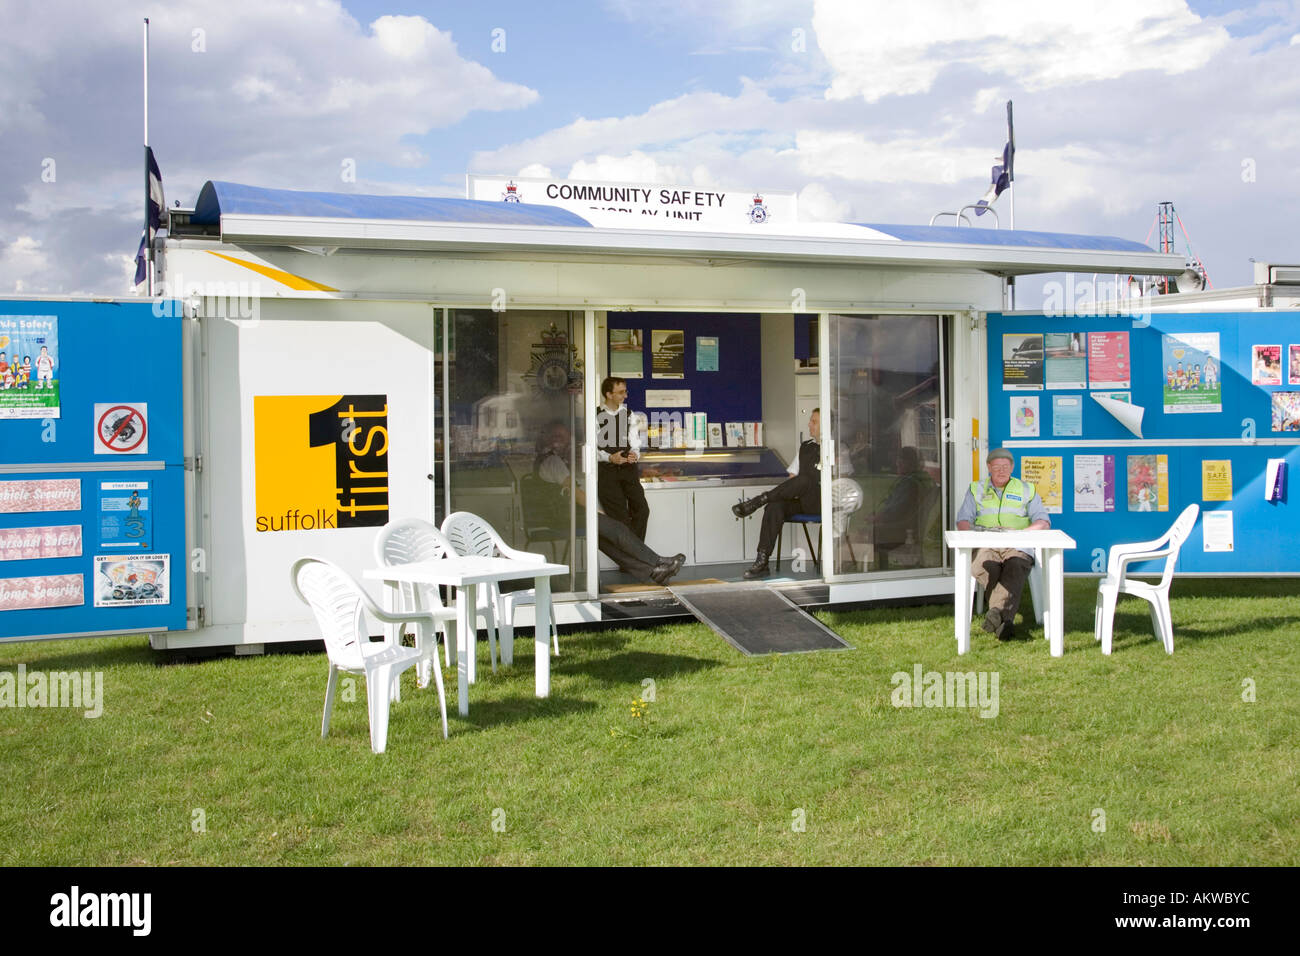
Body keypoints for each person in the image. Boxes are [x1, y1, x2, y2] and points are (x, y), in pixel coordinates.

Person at [534, 422, 684, 586]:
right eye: (558, 438)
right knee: (617, 529)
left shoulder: (550, 460)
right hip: (563, 518)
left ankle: (654, 573)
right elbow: (574, 492)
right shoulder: (553, 462)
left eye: (564, 438)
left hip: (560, 516)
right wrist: (596, 511)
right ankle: (658, 562)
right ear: (547, 440)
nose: (562, 443)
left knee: (605, 542)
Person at [955, 448, 1050, 641]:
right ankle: (1004, 620)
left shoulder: (1026, 489)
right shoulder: (976, 488)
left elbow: (1043, 521)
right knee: (986, 566)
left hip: (1017, 546)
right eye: (997, 466)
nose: (1001, 470)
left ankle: (996, 614)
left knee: (1015, 566)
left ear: (1012, 467)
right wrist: (971, 539)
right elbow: (963, 520)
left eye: (1005, 466)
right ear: (989, 467)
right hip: (986, 545)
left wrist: (1022, 534)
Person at [732, 408, 823, 579]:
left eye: (814, 421)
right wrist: (786, 493)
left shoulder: (836, 448)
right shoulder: (806, 447)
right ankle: (762, 561)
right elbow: (792, 478)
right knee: (774, 506)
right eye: (810, 420)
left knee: (805, 480)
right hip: (803, 501)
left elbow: (844, 480)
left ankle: (757, 501)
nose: (809, 424)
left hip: (822, 503)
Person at [595, 376, 650, 540]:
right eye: (621, 392)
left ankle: (636, 557)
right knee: (621, 519)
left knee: (642, 510)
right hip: (607, 473)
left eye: (625, 391)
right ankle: (633, 561)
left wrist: (635, 454)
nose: (625, 395)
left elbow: (635, 442)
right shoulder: (595, 416)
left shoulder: (629, 415)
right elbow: (590, 448)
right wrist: (610, 458)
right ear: (608, 394)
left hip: (628, 471)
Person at [871, 446, 938, 570]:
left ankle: (874, 571)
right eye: (898, 459)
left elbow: (896, 512)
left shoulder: (910, 484)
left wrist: (877, 518)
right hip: (911, 528)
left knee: (865, 534)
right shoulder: (925, 479)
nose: (897, 462)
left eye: (901, 459)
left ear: (911, 463)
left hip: (903, 532)